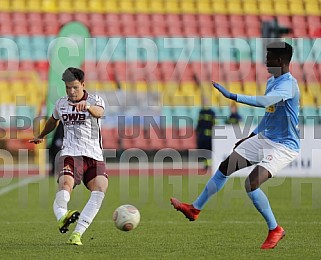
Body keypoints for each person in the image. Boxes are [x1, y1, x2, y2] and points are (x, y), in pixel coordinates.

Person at [170, 41, 300, 249]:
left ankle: (275, 228)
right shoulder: (272, 81)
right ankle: (195, 209)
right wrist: (251, 136)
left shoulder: (288, 85)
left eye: (268, 58)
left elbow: (265, 103)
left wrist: (233, 96)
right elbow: (269, 115)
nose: (265, 61)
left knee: (251, 183)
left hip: (284, 145)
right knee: (225, 166)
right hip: (266, 138)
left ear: (279, 60)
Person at [29, 67, 108, 245]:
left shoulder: (95, 100)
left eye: (75, 87)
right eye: (67, 88)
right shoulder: (61, 104)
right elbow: (53, 120)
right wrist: (41, 135)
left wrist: (87, 107)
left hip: (94, 155)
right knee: (65, 184)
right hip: (70, 154)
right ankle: (62, 217)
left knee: (100, 189)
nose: (71, 92)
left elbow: (99, 112)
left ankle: (77, 234)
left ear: (83, 84)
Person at [195, 104, 216, 170]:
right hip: (202, 136)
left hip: (209, 136)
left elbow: (214, 124)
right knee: (204, 151)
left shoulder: (212, 113)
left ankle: (209, 164)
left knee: (209, 151)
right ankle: (206, 164)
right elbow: (199, 124)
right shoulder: (201, 112)